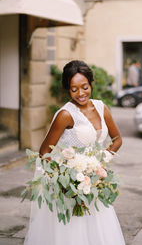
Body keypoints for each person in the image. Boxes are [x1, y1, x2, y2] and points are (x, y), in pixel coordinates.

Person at [24, 60, 125, 245]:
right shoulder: (65, 115)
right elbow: (44, 152)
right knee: (73, 235)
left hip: (95, 183)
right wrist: (64, 181)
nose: (81, 93)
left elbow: (117, 139)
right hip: (70, 188)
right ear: (67, 90)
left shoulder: (102, 108)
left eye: (84, 87)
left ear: (91, 84)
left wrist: (101, 162)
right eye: (74, 89)